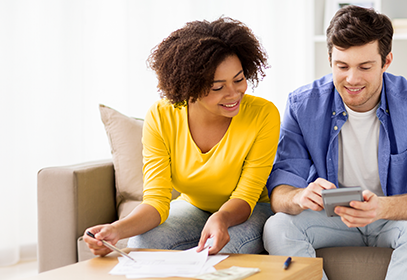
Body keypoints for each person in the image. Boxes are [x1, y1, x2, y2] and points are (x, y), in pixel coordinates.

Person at [262, 5, 407, 279]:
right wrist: (299, 196)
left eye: (365, 66)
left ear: (386, 62)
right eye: (342, 66)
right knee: (277, 227)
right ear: (329, 59)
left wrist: (380, 208)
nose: (352, 79)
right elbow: (280, 194)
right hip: (333, 220)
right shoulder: (302, 106)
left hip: (394, 218)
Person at [83, 17, 279, 256]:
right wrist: (116, 230)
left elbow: (246, 195)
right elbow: (156, 200)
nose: (234, 93)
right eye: (218, 87)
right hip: (193, 208)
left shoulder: (263, 114)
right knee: (142, 245)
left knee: (219, 252)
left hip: (250, 210)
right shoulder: (161, 116)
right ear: (190, 87)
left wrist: (222, 218)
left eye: (239, 79)